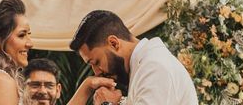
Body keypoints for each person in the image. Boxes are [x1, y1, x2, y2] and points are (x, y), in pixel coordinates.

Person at [67, 10, 198, 105]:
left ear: (114, 43)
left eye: (96, 62)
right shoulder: (144, 66)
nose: (96, 72)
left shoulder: (154, 67)